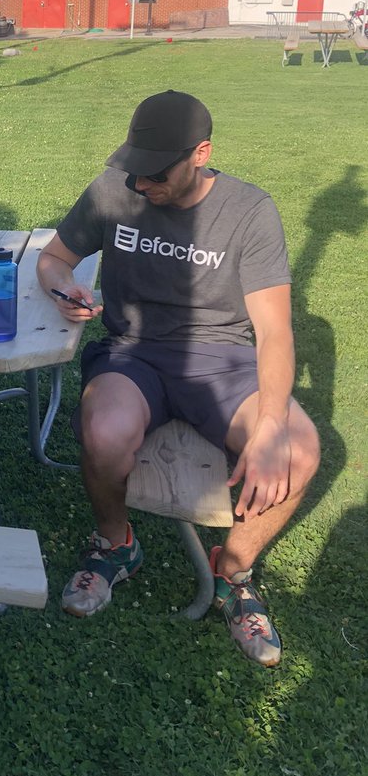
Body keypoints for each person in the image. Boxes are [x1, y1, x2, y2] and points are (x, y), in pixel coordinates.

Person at [36, 90, 320, 667]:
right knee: (103, 430)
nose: (141, 186)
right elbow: (53, 257)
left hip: (223, 360)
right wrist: (64, 288)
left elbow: (275, 333)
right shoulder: (113, 190)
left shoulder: (249, 210)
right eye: (134, 172)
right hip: (135, 352)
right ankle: (115, 545)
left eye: (154, 175)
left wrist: (269, 426)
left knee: (299, 451)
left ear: (201, 153)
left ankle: (234, 570)